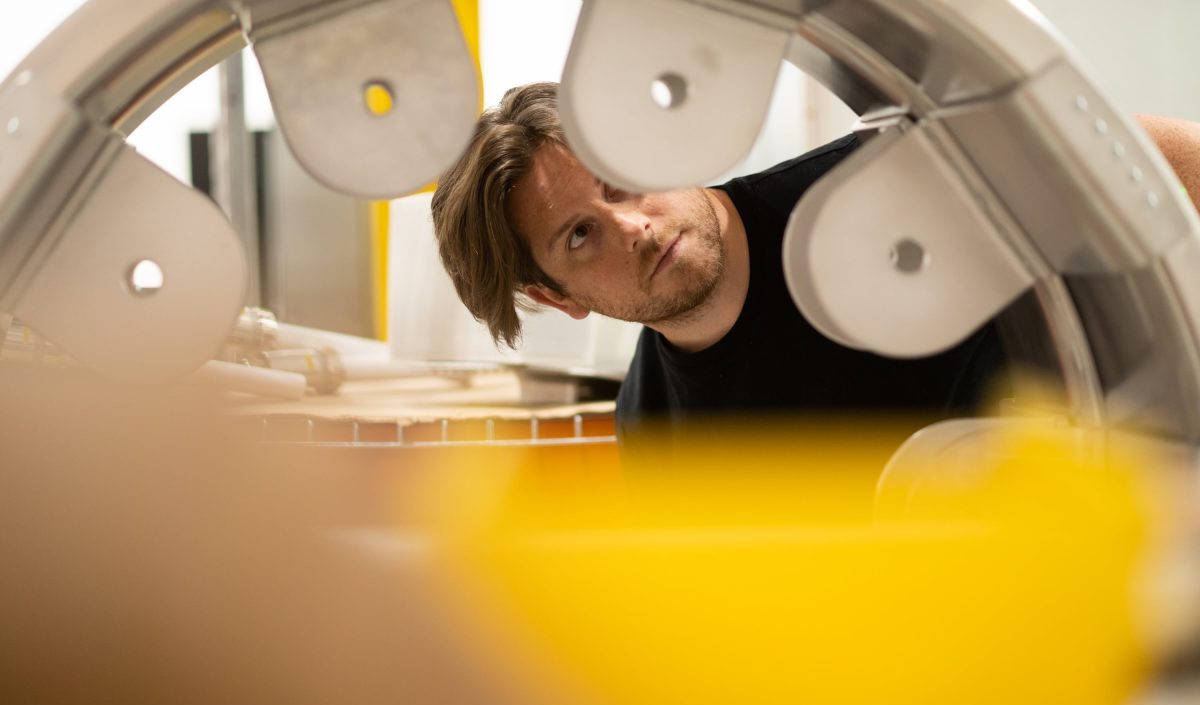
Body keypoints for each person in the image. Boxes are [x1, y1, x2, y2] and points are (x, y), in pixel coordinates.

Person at [429, 82, 1195, 445]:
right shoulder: (654, 432)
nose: (631, 226)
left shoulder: (872, 189)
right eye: (579, 237)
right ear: (558, 298)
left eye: (621, 182)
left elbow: (1147, 161)